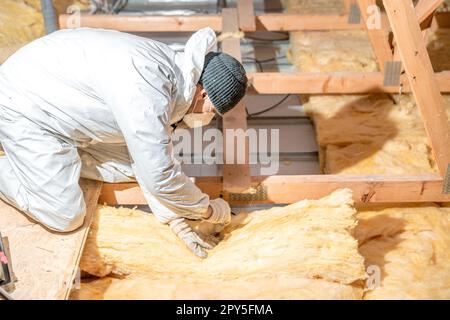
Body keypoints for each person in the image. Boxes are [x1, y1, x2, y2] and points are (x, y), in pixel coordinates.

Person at [0, 27, 247, 258]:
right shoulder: (151, 86)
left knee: (130, 168)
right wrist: (209, 211)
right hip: (24, 104)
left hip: (55, 102)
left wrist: (177, 220)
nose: (208, 116)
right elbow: (158, 175)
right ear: (203, 93)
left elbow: (145, 162)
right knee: (64, 215)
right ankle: (17, 166)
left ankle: (33, 164)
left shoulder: (172, 77)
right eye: (212, 109)